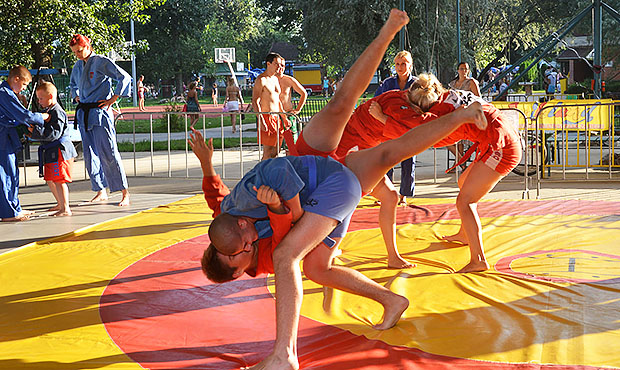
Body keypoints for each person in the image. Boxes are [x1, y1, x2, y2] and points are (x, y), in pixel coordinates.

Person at [200, 10, 488, 370]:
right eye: (243, 260)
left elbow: (223, 201)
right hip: (322, 190)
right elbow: (288, 227)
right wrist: (281, 211)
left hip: (309, 166)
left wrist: (208, 165)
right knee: (317, 262)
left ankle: (284, 356)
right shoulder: (255, 260)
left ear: (230, 237)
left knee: (340, 104)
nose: (246, 255)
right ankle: (390, 300)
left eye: (238, 254)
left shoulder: (233, 217)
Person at [375, 73, 522, 273]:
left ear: (421, 107)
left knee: (465, 201)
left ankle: (478, 259)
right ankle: (464, 233)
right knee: (464, 182)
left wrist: (383, 119)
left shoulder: (441, 113)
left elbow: (417, 136)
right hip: (498, 138)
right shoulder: (447, 96)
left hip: (502, 147)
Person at [69, 34, 132, 206]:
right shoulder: (77, 66)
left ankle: (124, 192)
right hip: (84, 113)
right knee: (90, 155)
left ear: (88, 46)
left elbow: (124, 77)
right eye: (75, 52)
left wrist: (113, 99)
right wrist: (76, 96)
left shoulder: (100, 61)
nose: (78, 55)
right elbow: (73, 85)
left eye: (80, 51)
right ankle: (100, 190)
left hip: (100, 112)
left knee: (109, 152)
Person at [0, 66, 49, 222]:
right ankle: (8, 213)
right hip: (2, 138)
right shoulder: (3, 93)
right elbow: (22, 115)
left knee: (13, 173)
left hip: (7, 137)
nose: (24, 89)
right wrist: (42, 117)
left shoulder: (8, 93)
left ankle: (15, 207)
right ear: (16, 79)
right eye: (24, 85)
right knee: (5, 174)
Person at [375, 50, 417, 206]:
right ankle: (386, 193)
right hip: (389, 126)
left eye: (403, 64)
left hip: (409, 128)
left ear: (410, 65)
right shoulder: (387, 83)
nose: (400, 67)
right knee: (387, 161)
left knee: (408, 161)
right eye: (397, 64)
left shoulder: (417, 84)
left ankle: (404, 194)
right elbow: (376, 101)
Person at [29, 81, 77, 217]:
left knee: (59, 180)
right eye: (38, 99)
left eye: (41, 98)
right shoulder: (48, 111)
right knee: (50, 179)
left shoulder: (57, 112)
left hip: (60, 152)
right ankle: (60, 203)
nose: (39, 101)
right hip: (51, 152)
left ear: (50, 96)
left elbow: (53, 134)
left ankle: (65, 208)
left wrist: (37, 131)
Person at [252, 53, 289, 160]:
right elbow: (255, 101)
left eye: (280, 64)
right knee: (268, 152)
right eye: (276, 64)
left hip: (276, 117)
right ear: (269, 64)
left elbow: (278, 101)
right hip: (266, 116)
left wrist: (284, 118)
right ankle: (262, 174)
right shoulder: (261, 80)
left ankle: (270, 172)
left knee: (276, 150)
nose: (279, 67)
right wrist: (261, 119)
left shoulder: (275, 79)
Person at [447, 62, 481, 171]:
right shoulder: (452, 84)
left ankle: (460, 163)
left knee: (460, 139)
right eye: (462, 69)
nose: (464, 71)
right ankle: (461, 160)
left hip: (467, 113)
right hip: (454, 114)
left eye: (466, 69)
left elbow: (478, 98)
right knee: (447, 139)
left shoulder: (471, 82)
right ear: (458, 70)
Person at [277, 63, 307, 146]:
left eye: (282, 66)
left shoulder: (289, 80)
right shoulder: (268, 80)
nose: (280, 68)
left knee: (291, 146)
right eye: (277, 65)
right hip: (274, 115)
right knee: (273, 148)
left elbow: (303, 93)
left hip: (288, 114)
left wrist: (298, 109)